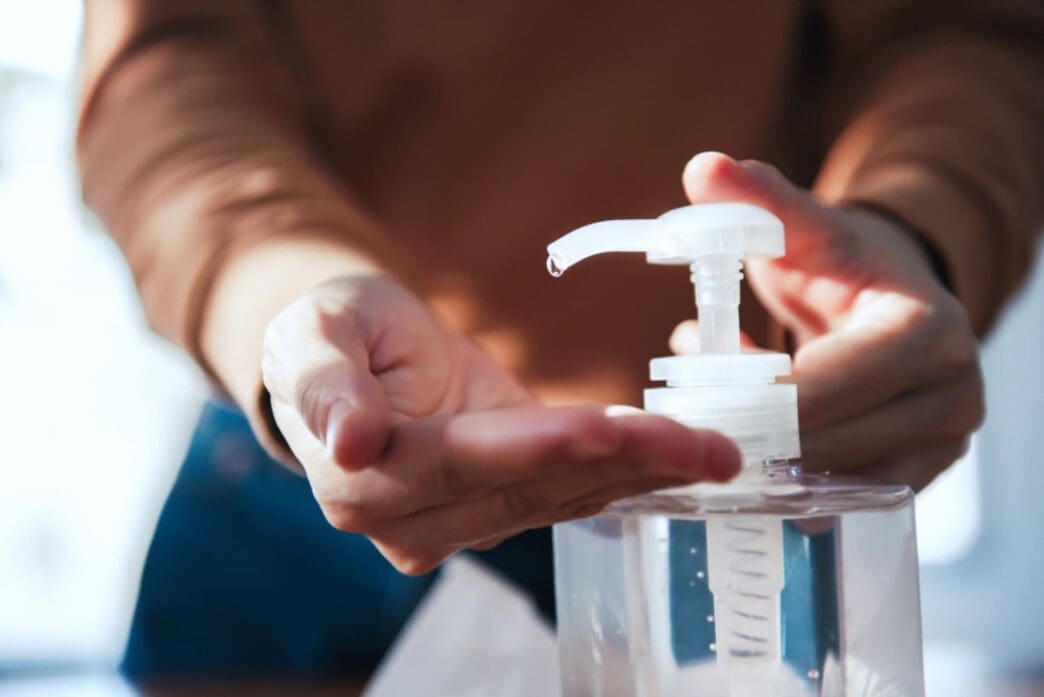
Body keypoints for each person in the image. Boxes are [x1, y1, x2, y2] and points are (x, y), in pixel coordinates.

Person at [77, 0, 1043, 679]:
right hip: (308, 474)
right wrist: (283, 291)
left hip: (746, 496)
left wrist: (914, 221)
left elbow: (961, 31)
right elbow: (165, 60)